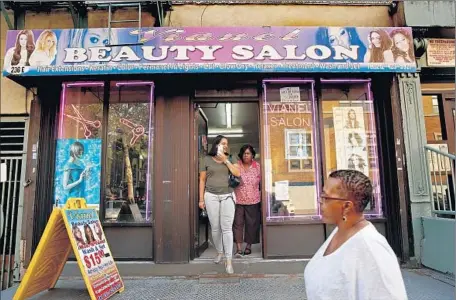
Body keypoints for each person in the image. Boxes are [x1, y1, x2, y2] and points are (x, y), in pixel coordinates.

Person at [304, 170, 408, 300]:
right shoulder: (340, 232)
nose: (320, 201)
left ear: (347, 206)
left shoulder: (372, 248)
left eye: (325, 197)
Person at [199, 135, 240, 274]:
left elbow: (237, 173)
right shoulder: (206, 159)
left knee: (227, 228)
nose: (225, 146)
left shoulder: (231, 157)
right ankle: (220, 252)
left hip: (227, 195)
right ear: (216, 145)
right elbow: (202, 180)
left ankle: (228, 260)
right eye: (223, 143)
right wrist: (201, 199)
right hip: (210, 196)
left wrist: (225, 160)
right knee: (215, 228)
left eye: (226, 144)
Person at [233, 145, 261, 257]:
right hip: (238, 200)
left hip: (253, 200)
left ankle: (248, 246)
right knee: (237, 224)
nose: (246, 155)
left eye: (248, 153)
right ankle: (238, 249)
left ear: (252, 155)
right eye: (244, 153)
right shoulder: (237, 165)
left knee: (251, 224)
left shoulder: (257, 166)